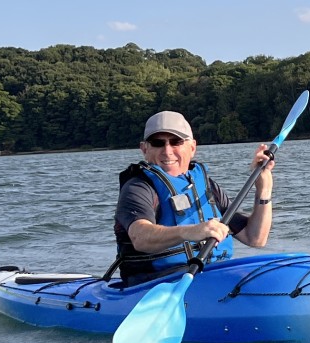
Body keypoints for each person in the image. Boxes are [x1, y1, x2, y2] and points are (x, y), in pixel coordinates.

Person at [112, 110, 275, 282]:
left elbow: (255, 237)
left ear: (192, 147)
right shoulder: (138, 187)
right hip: (155, 283)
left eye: (176, 142)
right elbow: (140, 237)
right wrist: (191, 231)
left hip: (212, 275)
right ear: (144, 149)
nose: (167, 151)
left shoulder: (206, 186)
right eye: (158, 143)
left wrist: (263, 189)